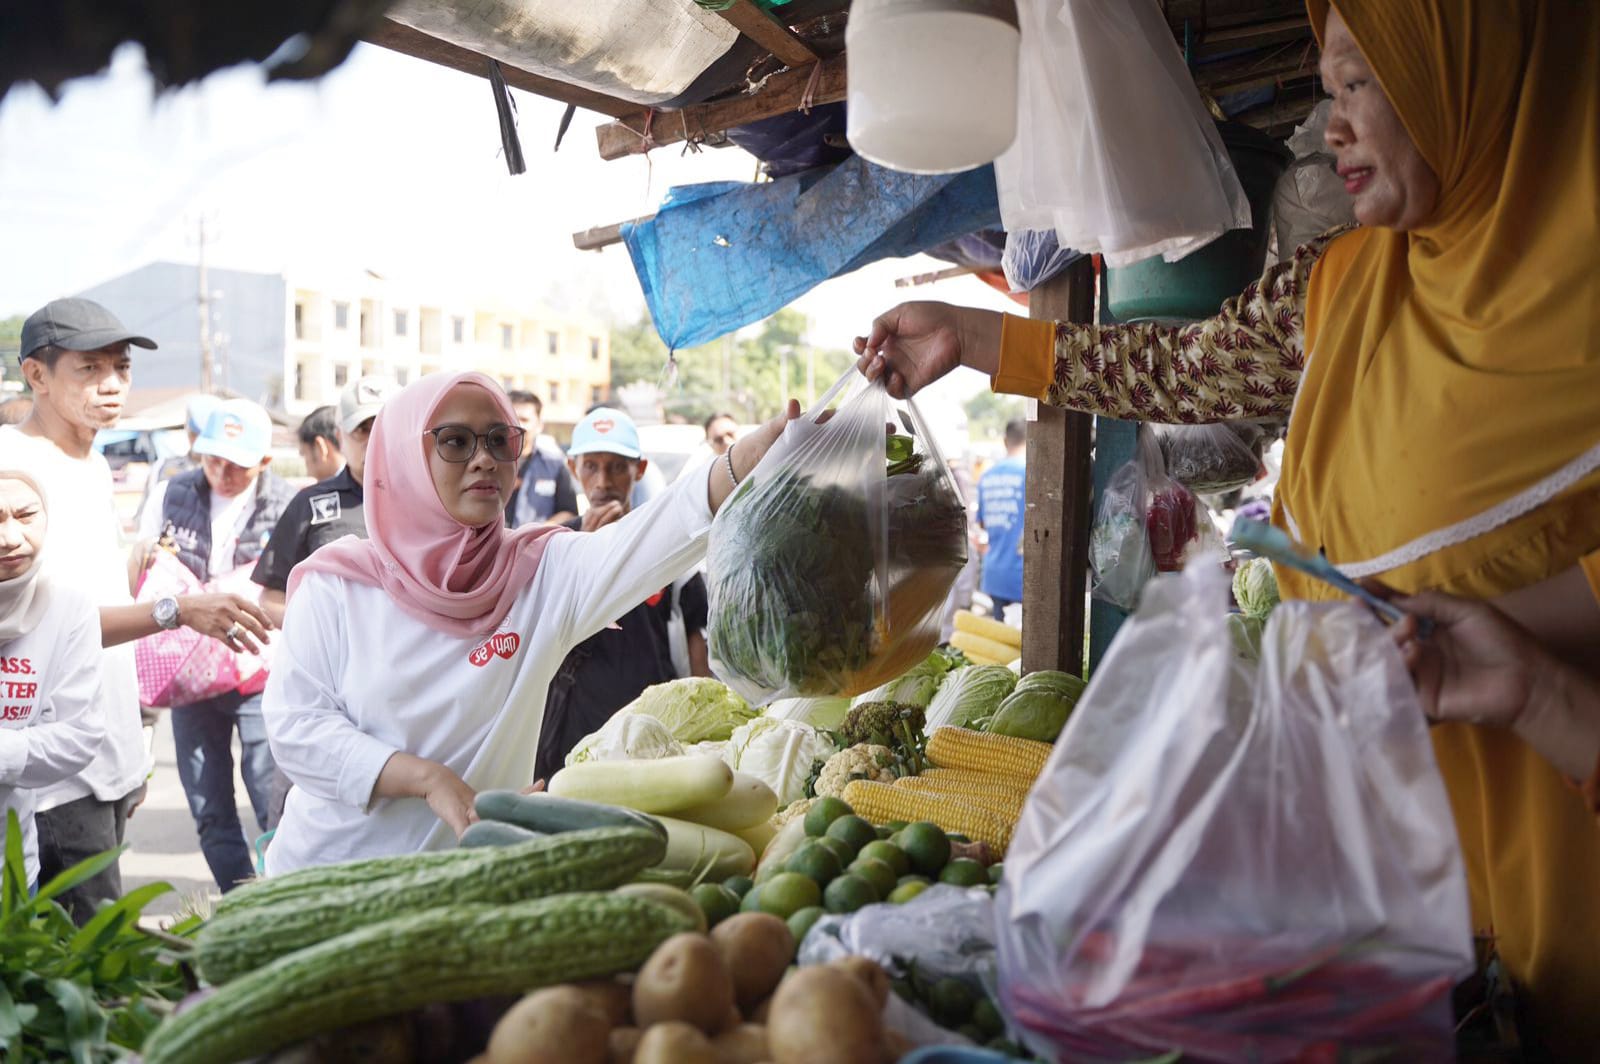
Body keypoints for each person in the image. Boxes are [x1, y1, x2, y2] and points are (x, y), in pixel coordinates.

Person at [856, 2, 1600, 1052]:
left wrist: (1494, 644)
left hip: (1557, 859)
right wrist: (982, 338)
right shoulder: (1341, 283)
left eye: (1360, 83)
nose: (1333, 124)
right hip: (1378, 900)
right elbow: (1178, 364)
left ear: (1470, 79)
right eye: (1328, 88)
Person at [262, 372, 794, 875]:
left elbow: (659, 532)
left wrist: (743, 460)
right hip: (327, 880)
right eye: (455, 442)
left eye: (499, 440)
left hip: (465, 885)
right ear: (403, 456)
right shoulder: (338, 585)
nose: (484, 460)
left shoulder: (540, 573)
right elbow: (296, 729)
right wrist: (426, 779)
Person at [1, 297, 269, 922]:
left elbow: (95, 603)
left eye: (120, 368)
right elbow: (43, 632)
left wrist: (132, 748)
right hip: (51, 774)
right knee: (85, 969)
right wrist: (177, 610)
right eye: (88, 369)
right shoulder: (15, 471)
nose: (112, 385)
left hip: (105, 756)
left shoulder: (92, 464)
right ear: (36, 375)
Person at [156, 398, 295, 892]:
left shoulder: (288, 504)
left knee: (271, 797)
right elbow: (153, 565)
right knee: (210, 805)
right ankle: (241, 902)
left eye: (238, 463)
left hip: (260, 670)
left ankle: (284, 897)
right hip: (190, 672)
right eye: (214, 458)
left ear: (264, 461)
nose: (223, 472)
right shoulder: (174, 492)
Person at [534, 408, 711, 781]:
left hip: (654, 733)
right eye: (591, 466)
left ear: (640, 470)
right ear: (572, 468)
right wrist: (586, 547)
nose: (603, 481)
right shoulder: (554, 547)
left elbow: (700, 653)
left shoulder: (667, 547)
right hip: (571, 733)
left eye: (617, 467)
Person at [0, 469, 103, 891]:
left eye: (26, 516)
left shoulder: (67, 609)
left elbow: (79, 735)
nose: (10, 537)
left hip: (8, 871)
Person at [254, 376, 397, 627]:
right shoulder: (310, 503)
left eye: (384, 427)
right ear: (341, 437)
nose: (373, 439)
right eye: (362, 429)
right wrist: (321, 631)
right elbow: (271, 598)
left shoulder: (433, 502)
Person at [136, 393, 220, 540]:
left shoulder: (228, 474)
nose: (198, 441)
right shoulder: (163, 468)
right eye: (194, 434)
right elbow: (145, 521)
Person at [976, 418, 1027, 622]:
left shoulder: (987, 476)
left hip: (995, 574)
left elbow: (982, 524)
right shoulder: (1030, 473)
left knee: (1002, 648)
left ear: (1005, 441)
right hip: (1024, 577)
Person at [506, 390, 577, 527]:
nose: (517, 426)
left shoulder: (555, 466)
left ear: (539, 425)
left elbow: (569, 512)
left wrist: (536, 533)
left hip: (537, 546)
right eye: (511, 418)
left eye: (524, 419)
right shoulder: (487, 464)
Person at [294, 405, 342, 483]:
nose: (305, 463)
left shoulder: (321, 492)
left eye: (304, 453)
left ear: (320, 448)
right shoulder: (364, 482)